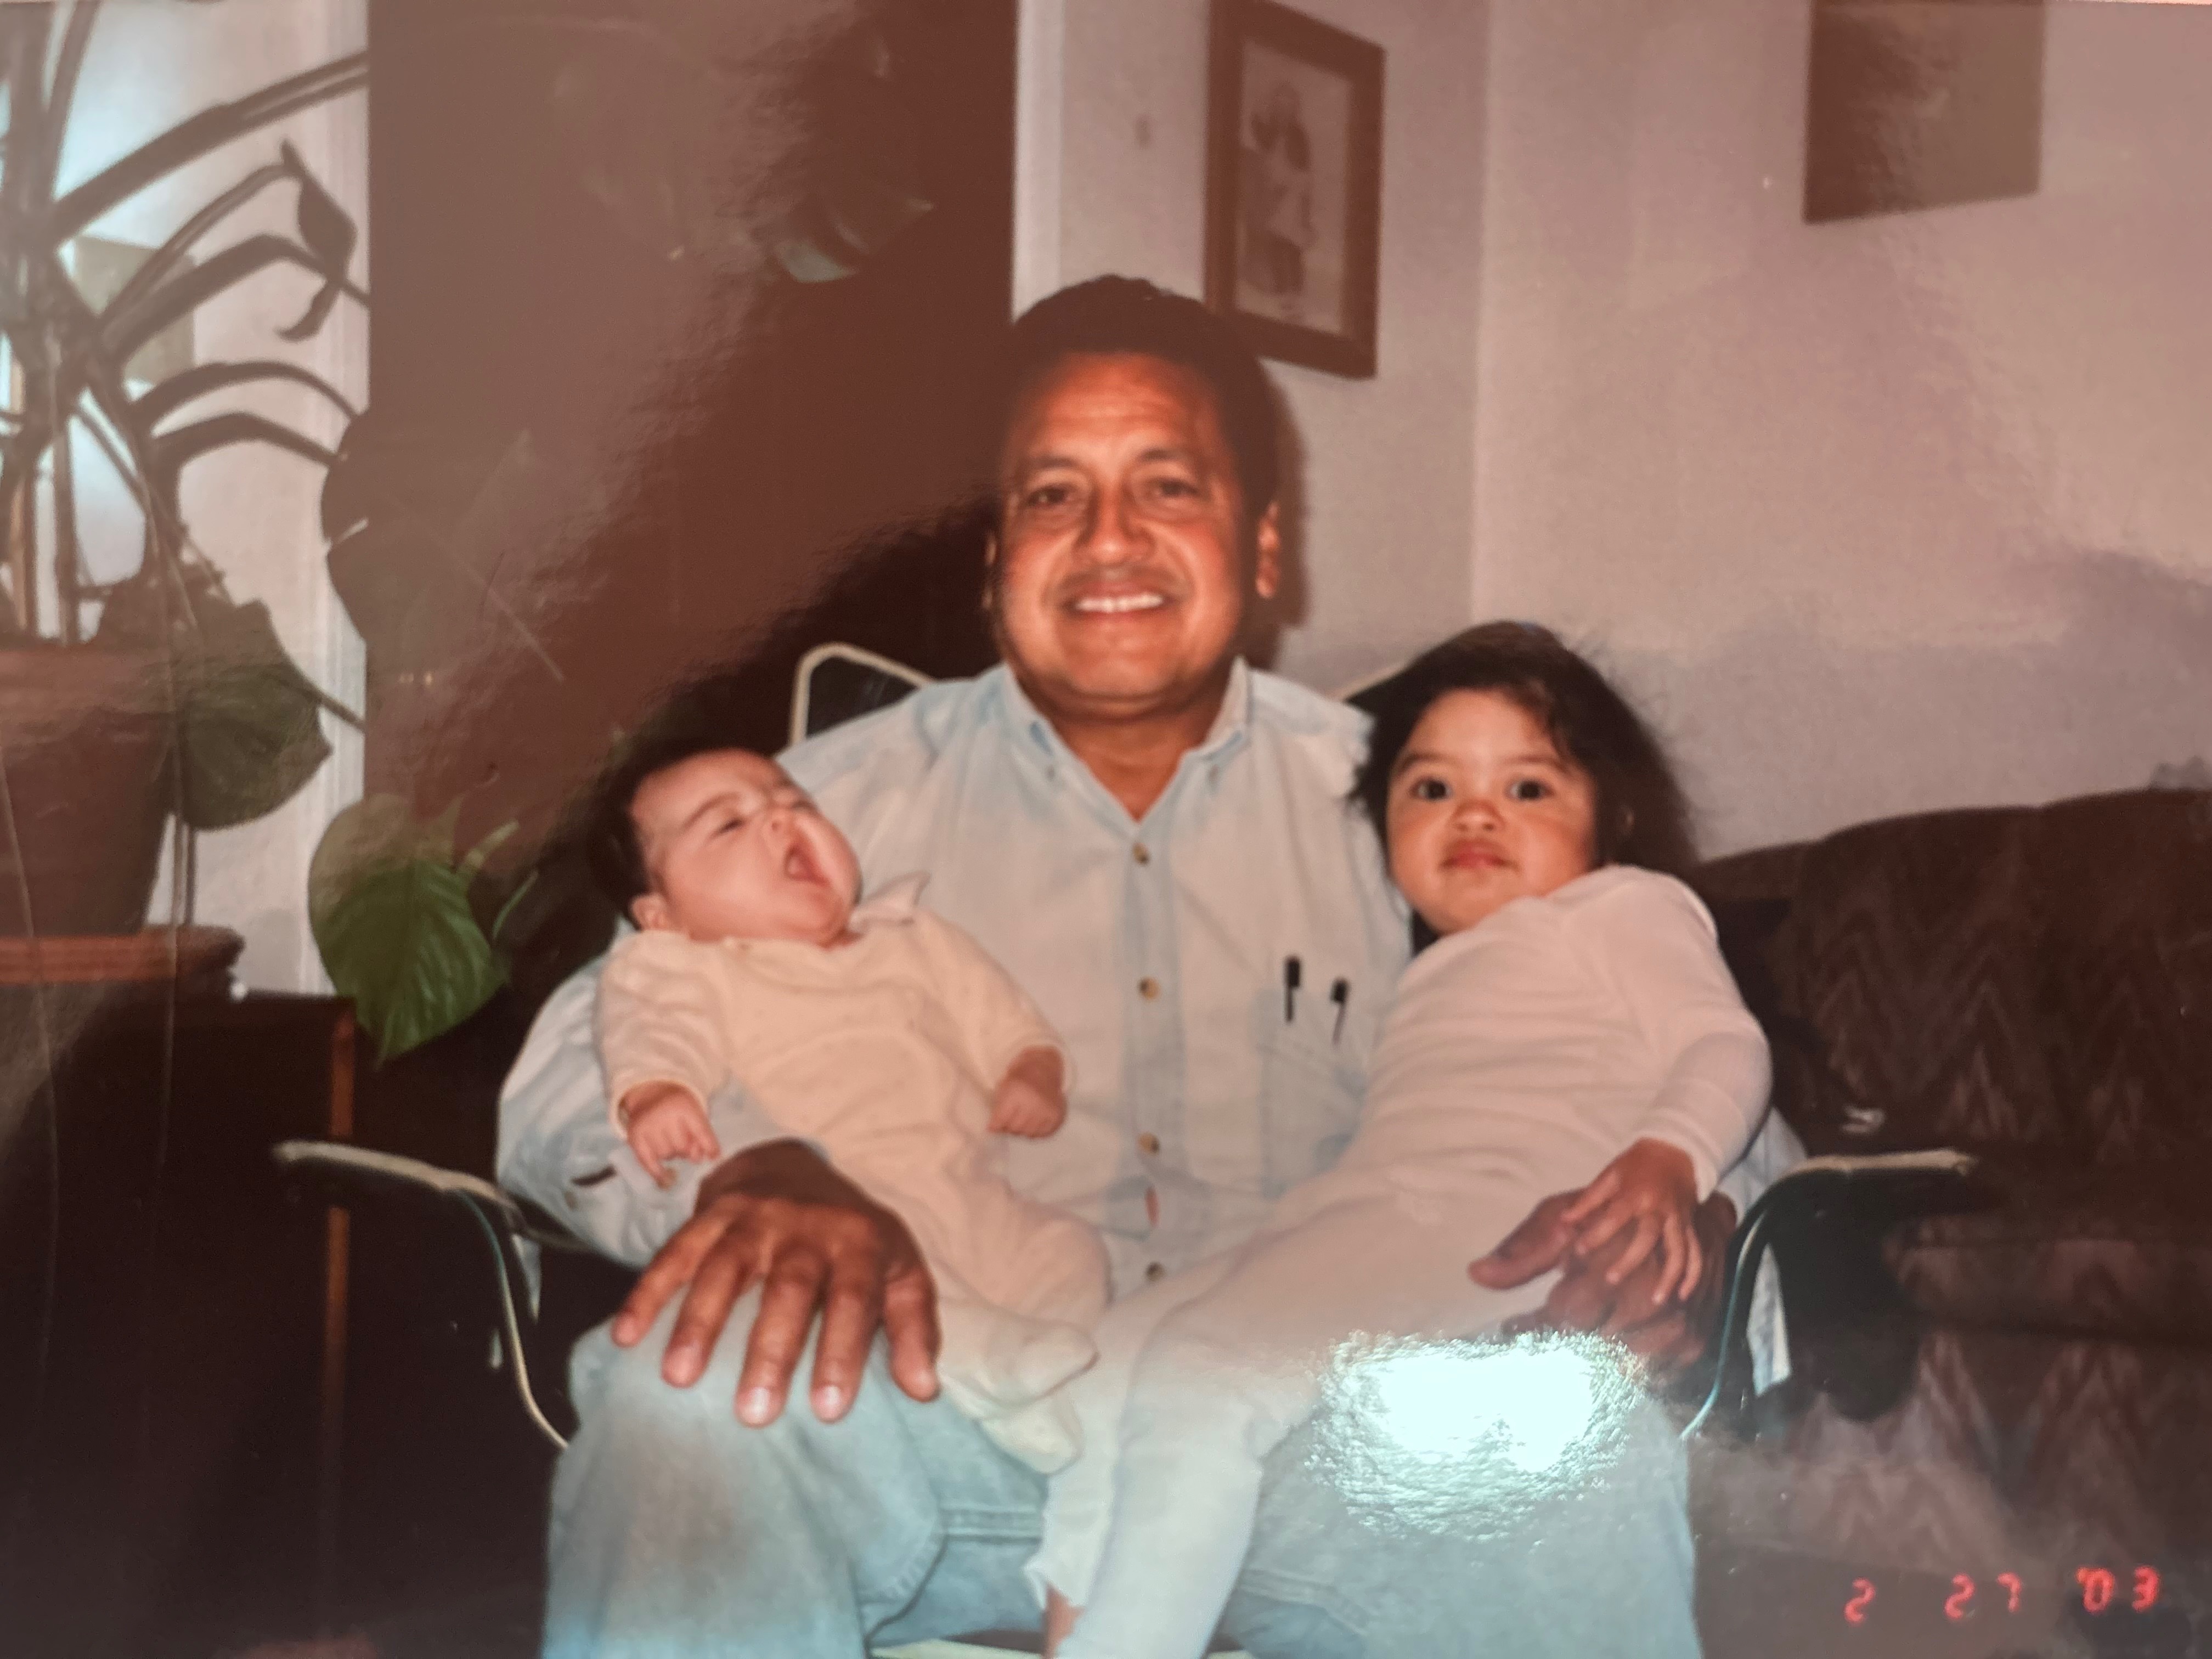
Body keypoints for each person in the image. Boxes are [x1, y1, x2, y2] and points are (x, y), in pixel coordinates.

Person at [498, 275, 1802, 1658]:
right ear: (994, 558)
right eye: (1053, 495)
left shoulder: (1422, 804)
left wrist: (1707, 1239)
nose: (1108, 538)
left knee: (1577, 1459)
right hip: (938, 1400)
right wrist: (742, 1170)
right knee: (691, 1389)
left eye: (1167, 487)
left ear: (1264, 544)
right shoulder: (819, 808)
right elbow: (565, 1078)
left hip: (1330, 1436)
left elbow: (1685, 1049)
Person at [1034, 624, 1771, 1659]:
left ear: (1615, 821)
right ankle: (1077, 1632)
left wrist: (1670, 1155)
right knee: (1098, 1365)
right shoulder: (1424, 977)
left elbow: (1724, 1042)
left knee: (1206, 1378)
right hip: (1364, 1220)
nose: (1474, 812)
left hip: (1487, 1227)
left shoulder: (1623, 908)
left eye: (1528, 788)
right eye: (1431, 788)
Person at [588, 737, 1108, 1470]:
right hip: (857, 1198)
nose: (781, 820)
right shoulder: (686, 964)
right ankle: (991, 1373)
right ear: (662, 914)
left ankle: (1045, 1386)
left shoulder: (914, 935)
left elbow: (1008, 1022)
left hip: (977, 1192)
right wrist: (659, 1091)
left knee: (1069, 1250)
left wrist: (1032, 1072)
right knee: (893, 1287)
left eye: (796, 803)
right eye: (729, 825)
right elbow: (653, 1026)